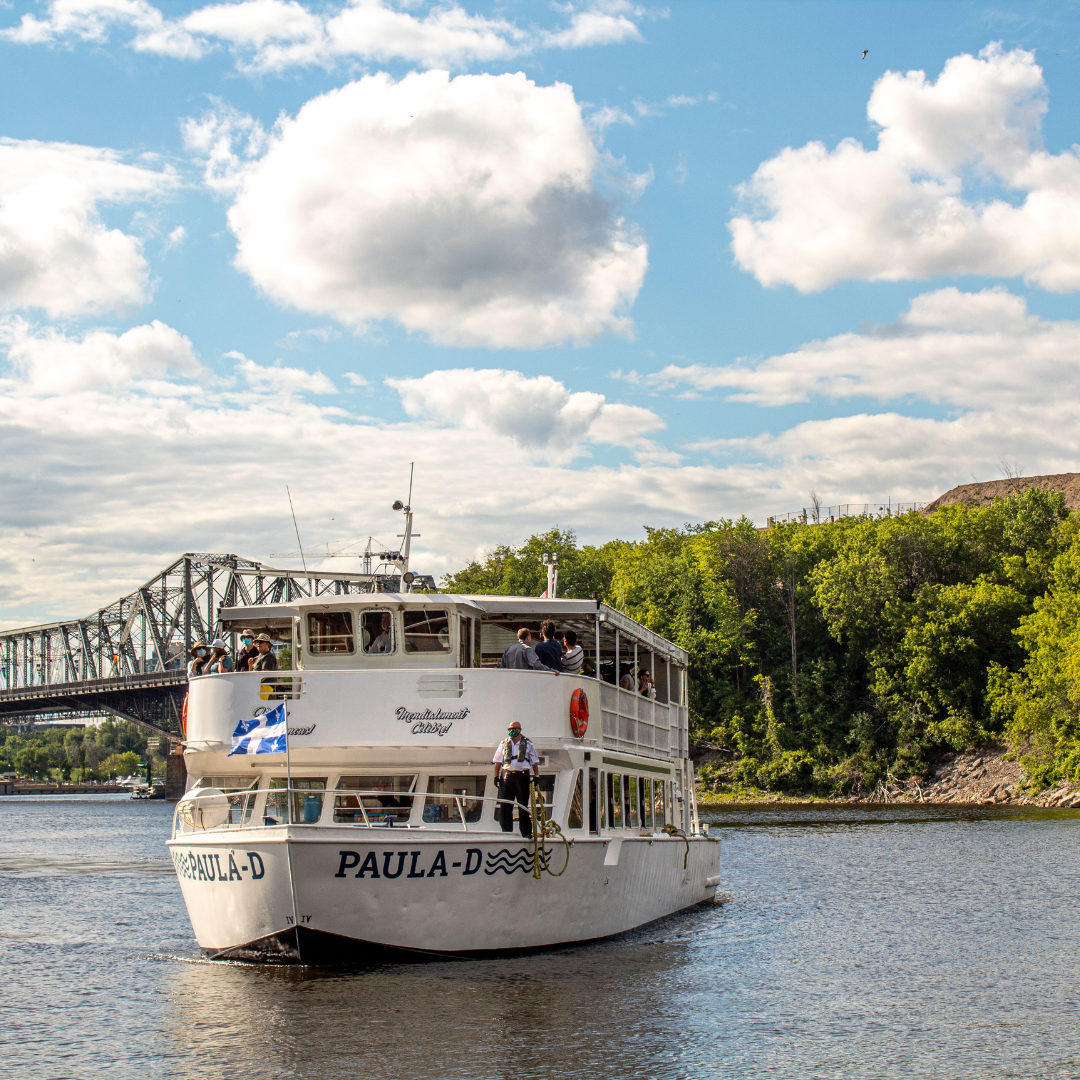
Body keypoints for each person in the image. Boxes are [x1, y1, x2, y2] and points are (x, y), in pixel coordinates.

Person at [492, 720, 539, 837]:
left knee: (523, 804)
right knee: (506, 805)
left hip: (522, 775)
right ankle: (506, 831)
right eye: (510, 729)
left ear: (520, 730)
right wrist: (496, 776)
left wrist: (537, 776)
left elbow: (534, 762)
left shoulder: (528, 744)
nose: (512, 731)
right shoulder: (503, 743)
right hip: (507, 775)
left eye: (515, 729)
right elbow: (497, 761)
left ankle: (526, 832)